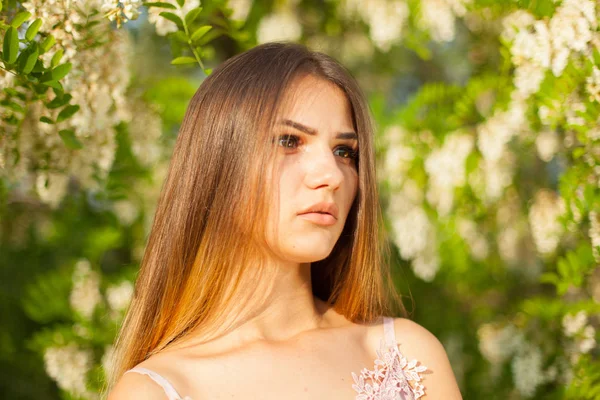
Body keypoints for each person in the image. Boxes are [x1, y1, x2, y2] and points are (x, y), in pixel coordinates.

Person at [105, 42, 462, 399]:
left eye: (344, 152)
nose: (332, 175)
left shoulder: (405, 356)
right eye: (290, 141)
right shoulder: (158, 390)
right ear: (221, 161)